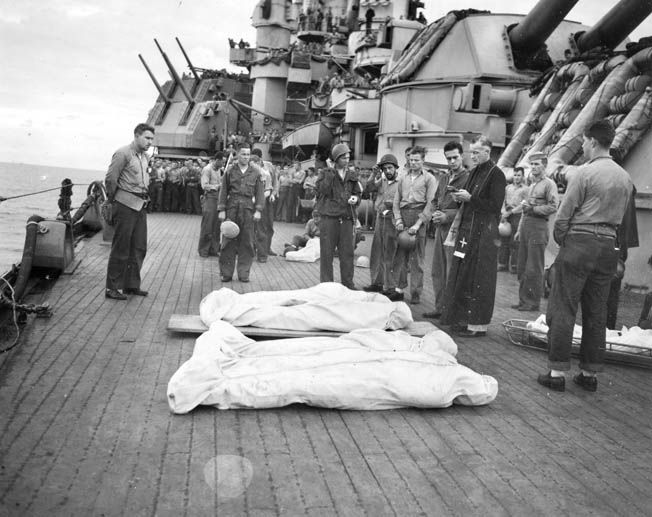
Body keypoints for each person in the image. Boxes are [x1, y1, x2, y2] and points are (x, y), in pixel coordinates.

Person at [538, 120, 633, 392]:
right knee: (597, 310)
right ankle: (589, 374)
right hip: (608, 246)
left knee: (564, 305)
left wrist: (564, 242)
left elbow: (564, 216)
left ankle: (556, 372)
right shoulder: (624, 177)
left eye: (583, 142)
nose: (582, 147)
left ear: (592, 142)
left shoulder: (583, 173)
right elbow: (623, 221)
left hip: (580, 241)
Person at [440, 136, 506, 337]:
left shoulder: (497, 175)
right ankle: (460, 319)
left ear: (488, 151)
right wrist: (459, 196)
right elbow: (471, 198)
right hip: (466, 232)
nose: (473, 156)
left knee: (478, 278)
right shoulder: (474, 172)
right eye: (472, 152)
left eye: (477, 152)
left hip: (483, 235)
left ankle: (477, 325)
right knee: (462, 275)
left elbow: (495, 207)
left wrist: (470, 198)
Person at [104, 123, 155, 300]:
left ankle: (131, 285)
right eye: (147, 138)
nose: (150, 142)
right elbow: (111, 179)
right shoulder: (123, 153)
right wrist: (112, 201)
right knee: (121, 247)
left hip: (140, 204)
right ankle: (112, 287)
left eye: (151, 139)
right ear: (136, 135)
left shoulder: (145, 157)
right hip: (124, 204)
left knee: (139, 246)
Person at [423, 141, 469, 319]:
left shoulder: (468, 179)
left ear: (462, 156)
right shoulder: (443, 178)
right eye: (449, 158)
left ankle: (452, 311)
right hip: (441, 230)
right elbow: (435, 200)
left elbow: (468, 208)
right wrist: (434, 213)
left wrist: (447, 216)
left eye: (455, 157)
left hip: (456, 232)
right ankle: (440, 307)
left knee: (452, 271)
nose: (452, 162)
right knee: (438, 270)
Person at [512, 153, 558, 311]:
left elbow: (553, 206)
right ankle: (523, 300)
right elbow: (525, 209)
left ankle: (532, 302)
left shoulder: (549, 185)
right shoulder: (531, 185)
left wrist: (535, 209)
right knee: (523, 265)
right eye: (532, 165)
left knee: (534, 266)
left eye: (537, 164)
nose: (534, 167)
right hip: (526, 226)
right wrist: (519, 229)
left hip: (538, 227)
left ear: (545, 166)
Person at [392, 145, 438, 305]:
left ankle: (416, 293)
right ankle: (399, 289)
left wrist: (418, 225)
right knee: (400, 256)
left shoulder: (429, 179)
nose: (413, 163)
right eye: (411, 160)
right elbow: (396, 201)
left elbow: (431, 203)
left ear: (423, 161)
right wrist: (398, 220)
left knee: (417, 259)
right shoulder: (403, 178)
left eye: (416, 160)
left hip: (419, 217)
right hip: (404, 216)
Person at [316, 143, 362, 289]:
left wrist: (356, 199)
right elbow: (322, 190)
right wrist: (330, 170)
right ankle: (327, 285)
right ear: (336, 159)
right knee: (327, 254)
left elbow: (358, 192)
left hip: (347, 219)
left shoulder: (352, 175)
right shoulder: (325, 173)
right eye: (343, 158)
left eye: (348, 157)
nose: (347, 160)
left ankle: (348, 284)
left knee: (347, 254)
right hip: (329, 219)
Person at [217, 145, 265, 282]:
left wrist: (258, 210)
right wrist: (221, 210)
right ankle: (226, 273)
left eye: (248, 154)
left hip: (248, 210)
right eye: (243, 154)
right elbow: (224, 191)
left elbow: (260, 193)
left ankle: (244, 273)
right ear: (237, 155)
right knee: (227, 241)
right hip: (232, 208)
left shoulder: (255, 172)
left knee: (247, 242)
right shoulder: (230, 171)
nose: (246, 157)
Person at [363, 154, 401, 298]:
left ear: (396, 168)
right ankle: (376, 282)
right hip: (380, 218)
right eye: (385, 168)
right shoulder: (382, 180)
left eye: (390, 168)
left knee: (390, 252)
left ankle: (389, 286)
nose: (388, 171)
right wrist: (374, 174)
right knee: (377, 251)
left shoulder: (401, 182)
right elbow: (369, 187)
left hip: (392, 219)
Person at [498, 166, 528, 272]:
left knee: (514, 241)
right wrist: (503, 213)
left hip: (517, 215)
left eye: (519, 175)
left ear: (523, 176)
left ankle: (514, 265)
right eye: (515, 175)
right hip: (506, 214)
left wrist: (512, 212)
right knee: (503, 238)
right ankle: (502, 263)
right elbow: (503, 200)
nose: (516, 177)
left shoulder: (526, 189)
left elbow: (524, 204)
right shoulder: (508, 188)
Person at [250, 148, 276, 263]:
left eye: (253, 165)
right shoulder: (248, 174)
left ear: (258, 163)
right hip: (249, 205)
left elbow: (268, 190)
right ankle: (249, 252)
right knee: (249, 229)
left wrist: (257, 198)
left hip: (261, 205)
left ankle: (262, 255)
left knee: (261, 230)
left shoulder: (266, 174)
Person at [198, 152, 224, 258]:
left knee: (216, 226)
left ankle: (213, 249)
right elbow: (204, 186)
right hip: (209, 199)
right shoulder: (207, 169)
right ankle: (203, 250)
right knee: (207, 226)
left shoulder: (218, 170)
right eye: (222, 161)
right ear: (217, 160)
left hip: (217, 199)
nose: (223, 163)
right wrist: (218, 186)